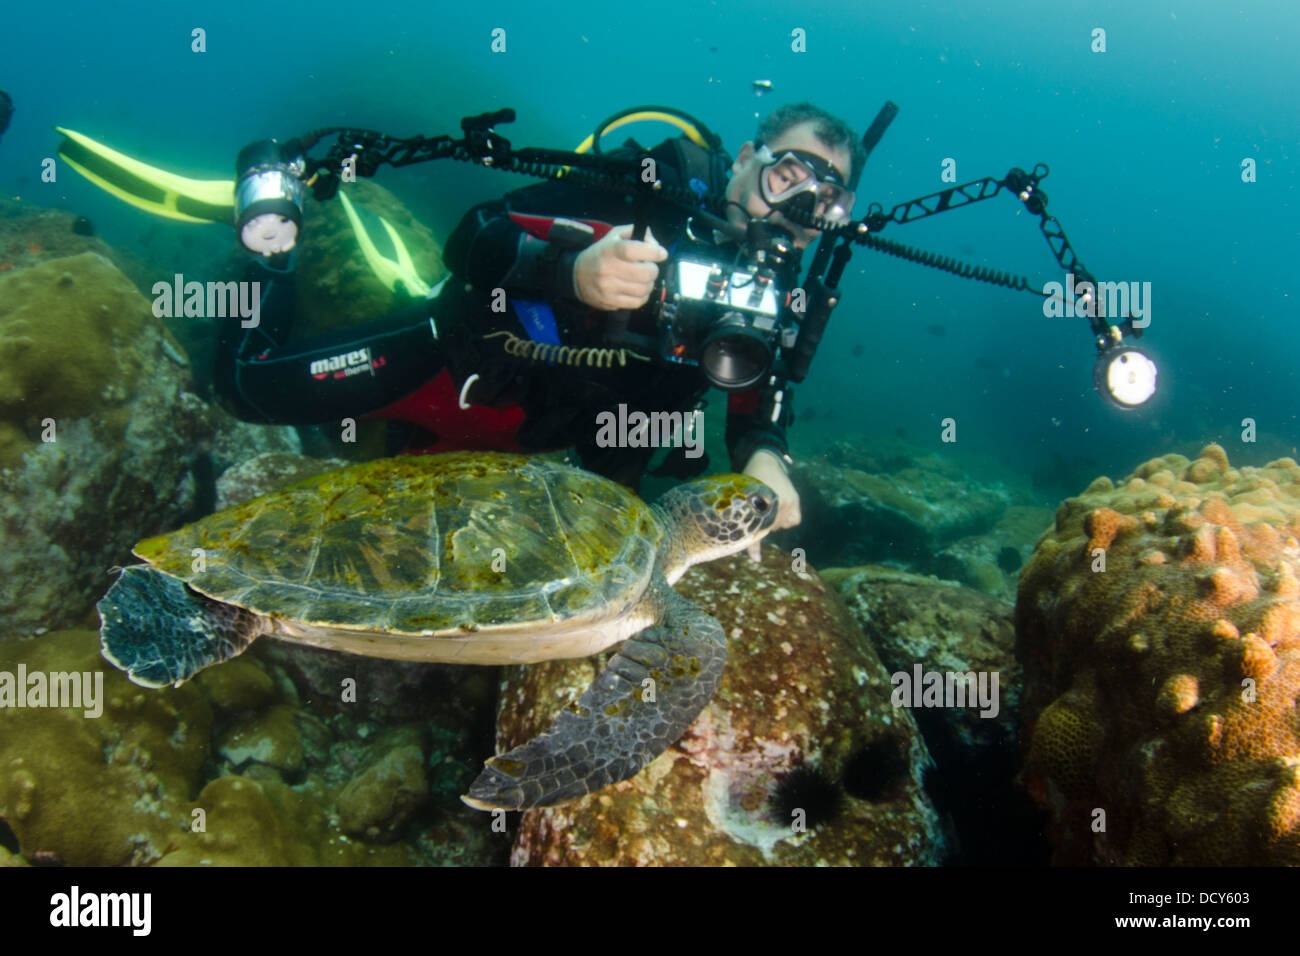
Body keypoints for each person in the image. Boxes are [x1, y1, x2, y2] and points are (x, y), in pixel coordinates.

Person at [64, 103, 866, 534]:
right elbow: (474, 234)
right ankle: (272, 256)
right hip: (448, 371)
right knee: (243, 390)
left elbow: (759, 406)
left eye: (825, 196)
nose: (798, 204)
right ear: (748, 160)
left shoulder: (785, 291)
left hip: (556, 447)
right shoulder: (639, 192)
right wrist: (571, 270)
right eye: (789, 171)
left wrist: (765, 460)